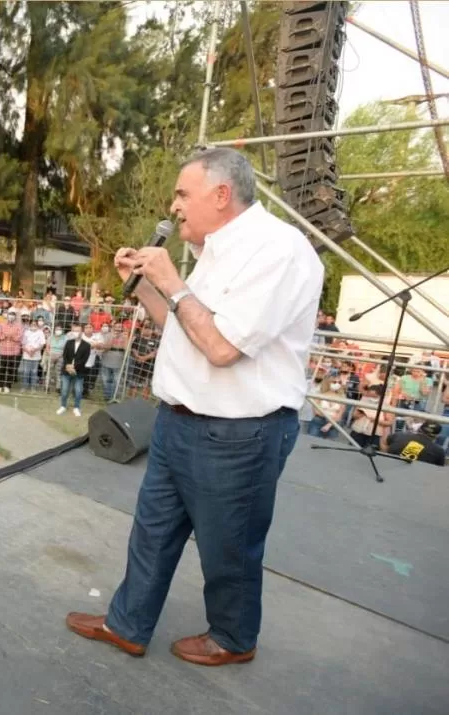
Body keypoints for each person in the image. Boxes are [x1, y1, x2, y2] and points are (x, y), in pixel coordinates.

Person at [66, 148, 323, 665]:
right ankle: (128, 624)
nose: (174, 205)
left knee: (229, 548)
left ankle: (233, 638)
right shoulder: (214, 252)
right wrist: (145, 287)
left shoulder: (279, 251)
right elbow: (187, 328)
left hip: (237, 434)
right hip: (178, 420)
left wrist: (172, 281)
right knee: (152, 532)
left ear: (221, 195)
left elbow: (223, 348)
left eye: (184, 193)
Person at [56, 325, 91, 417]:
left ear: (81, 332)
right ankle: (63, 406)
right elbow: (65, 355)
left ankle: (77, 407)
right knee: (64, 390)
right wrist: (68, 365)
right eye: (74, 331)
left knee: (78, 391)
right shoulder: (68, 342)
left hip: (79, 372)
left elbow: (84, 359)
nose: (76, 333)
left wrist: (73, 366)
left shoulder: (87, 345)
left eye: (78, 331)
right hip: (66, 371)